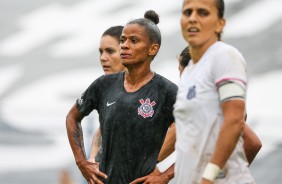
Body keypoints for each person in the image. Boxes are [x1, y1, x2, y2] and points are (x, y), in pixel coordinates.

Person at [66, 10, 176, 184]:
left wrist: (166, 175)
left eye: (133, 41)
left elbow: (199, 136)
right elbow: (73, 116)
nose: (124, 45)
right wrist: (83, 162)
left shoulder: (167, 91)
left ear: (153, 48)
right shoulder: (103, 84)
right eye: (123, 40)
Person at [173, 0, 258, 183]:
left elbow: (235, 120)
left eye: (203, 13)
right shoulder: (188, 71)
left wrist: (208, 177)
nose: (193, 18)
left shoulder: (224, 55)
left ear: (220, 24)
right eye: (188, 13)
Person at [87, 25, 126, 164]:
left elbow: (177, 128)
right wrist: (91, 158)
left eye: (110, 51)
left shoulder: (151, 88)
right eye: (101, 52)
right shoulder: (105, 86)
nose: (103, 58)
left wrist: (158, 164)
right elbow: (102, 128)